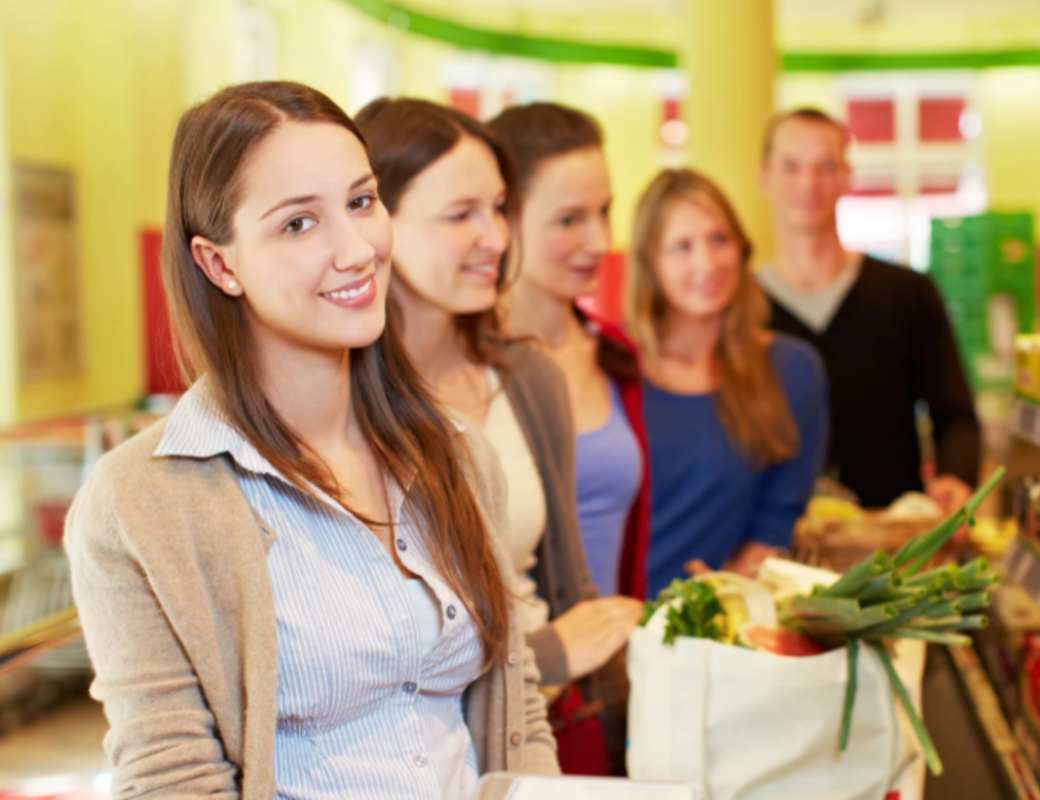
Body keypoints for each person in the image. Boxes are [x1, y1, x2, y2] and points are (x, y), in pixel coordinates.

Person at [63, 81, 556, 799]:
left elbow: (520, 713)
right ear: (219, 264)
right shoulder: (141, 502)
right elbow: (171, 777)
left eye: (361, 202)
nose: (357, 251)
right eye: (299, 224)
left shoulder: (459, 456)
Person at [355, 97, 638, 776]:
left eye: (499, 208)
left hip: (543, 734)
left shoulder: (529, 378)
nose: (497, 237)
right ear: (374, 223)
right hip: (404, 766)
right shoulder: (340, 403)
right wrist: (546, 654)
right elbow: (359, 661)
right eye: (462, 215)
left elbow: (562, 579)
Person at [758, 107, 981, 511]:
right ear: (765, 177)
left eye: (825, 166)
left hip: (894, 548)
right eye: (790, 166)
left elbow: (956, 414)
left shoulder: (907, 293)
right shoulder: (741, 307)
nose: (808, 183)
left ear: (847, 176)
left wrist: (954, 476)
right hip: (772, 548)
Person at [626, 167, 829, 596]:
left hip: (715, 627)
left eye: (719, 240)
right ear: (650, 263)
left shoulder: (793, 371)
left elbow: (776, 520)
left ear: (741, 248)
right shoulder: (613, 372)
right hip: (607, 624)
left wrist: (723, 595)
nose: (707, 262)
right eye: (681, 247)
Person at [488, 103, 650, 603]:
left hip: (611, 666)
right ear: (502, 218)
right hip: (524, 670)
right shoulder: (462, 367)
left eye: (604, 212)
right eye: (569, 220)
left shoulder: (614, 353)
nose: (600, 241)